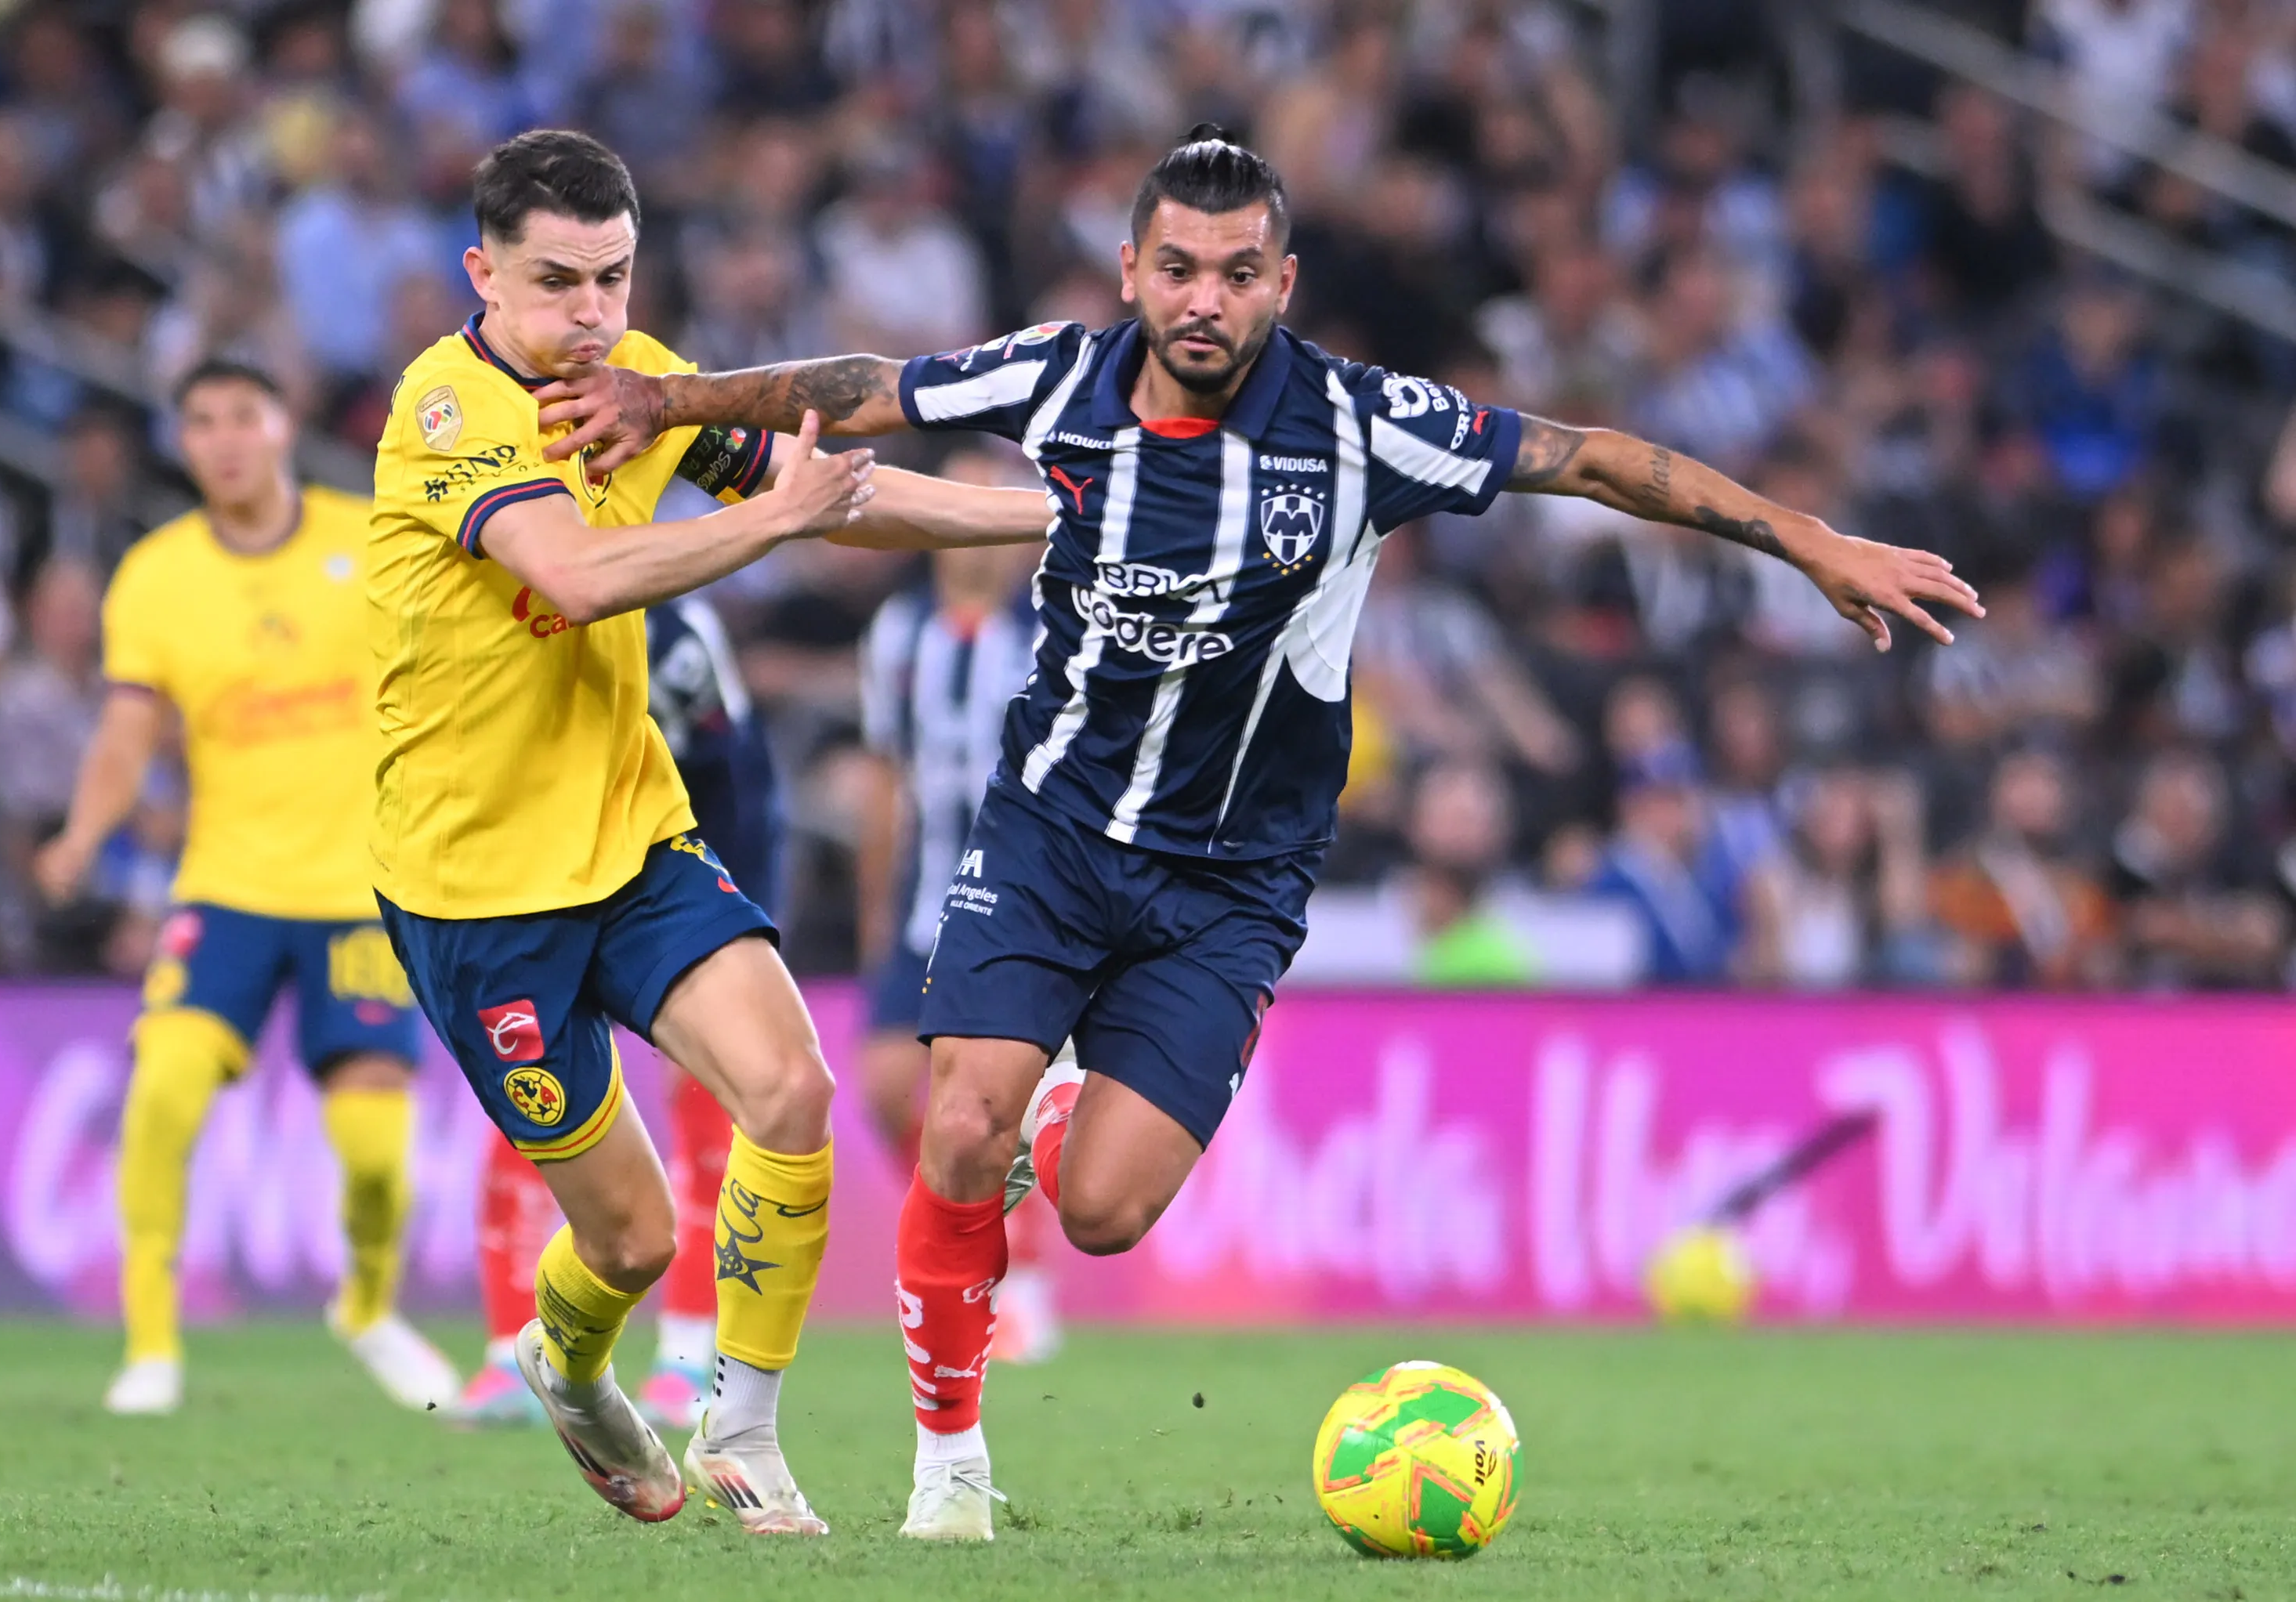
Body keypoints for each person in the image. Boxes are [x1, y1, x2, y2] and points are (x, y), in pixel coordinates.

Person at [532, 125, 1982, 1542]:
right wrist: (667, 404)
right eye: (1178, 269)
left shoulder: (1362, 427)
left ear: (1282, 284)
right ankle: (951, 1471)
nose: (1203, 300)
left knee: (1099, 1213)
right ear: (1130, 273)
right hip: (1050, 825)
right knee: (957, 1121)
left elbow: (1588, 458)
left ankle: (1062, 1116)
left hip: (1232, 878)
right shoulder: (1056, 378)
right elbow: (865, 391)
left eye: (1236, 272)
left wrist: (1808, 539)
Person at [367, 129, 1046, 1531]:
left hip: (631, 837)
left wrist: (1055, 516)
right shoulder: (447, 411)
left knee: (790, 1093)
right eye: (557, 282)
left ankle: (742, 1431)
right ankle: (562, 1355)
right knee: (628, 1236)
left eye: (614, 278)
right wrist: (779, 523)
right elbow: (576, 572)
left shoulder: (635, 377)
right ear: (479, 271)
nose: (594, 316)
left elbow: (836, 496)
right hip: (476, 889)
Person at [34, 360, 456, 1419]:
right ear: (182, 444)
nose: (224, 439)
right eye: (202, 422)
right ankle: (151, 1345)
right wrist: (83, 834)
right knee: (163, 1095)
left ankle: (366, 1309)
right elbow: (128, 731)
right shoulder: (156, 575)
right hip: (224, 888)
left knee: (374, 1162)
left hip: (362, 891)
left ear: (283, 426)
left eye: (243, 417)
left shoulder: (365, 540)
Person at [456, 591, 783, 1430]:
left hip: (663, 893)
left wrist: (732, 923)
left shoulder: (676, 629)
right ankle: (505, 1355)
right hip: (541, 892)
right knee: (530, 1107)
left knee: (706, 1108)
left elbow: (737, 773)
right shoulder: (485, 604)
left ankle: (686, 1352)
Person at [853, 485, 1059, 1363]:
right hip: (922, 890)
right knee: (882, 1081)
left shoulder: (1048, 626)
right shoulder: (898, 633)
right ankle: (960, 1248)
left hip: (1016, 891)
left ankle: (1021, 1279)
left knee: (988, 1094)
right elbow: (885, 769)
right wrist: (873, 902)